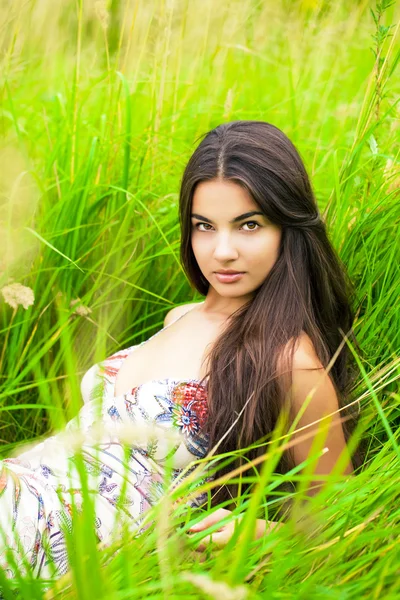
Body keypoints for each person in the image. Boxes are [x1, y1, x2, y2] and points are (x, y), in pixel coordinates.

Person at [0, 120, 362, 580]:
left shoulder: (290, 362)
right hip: (20, 491)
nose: (222, 251)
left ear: (287, 229)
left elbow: (340, 521)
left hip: (67, 548)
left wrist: (257, 531)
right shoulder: (180, 316)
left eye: (249, 225)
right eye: (204, 226)